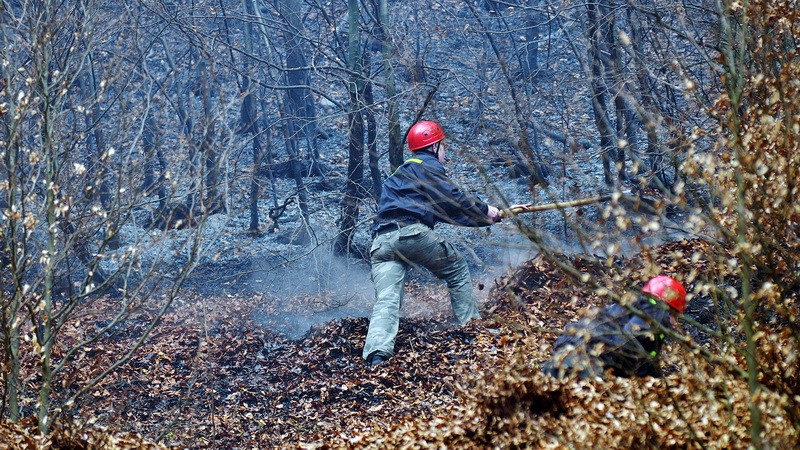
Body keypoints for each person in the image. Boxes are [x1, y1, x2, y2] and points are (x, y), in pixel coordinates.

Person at [363, 120, 508, 367]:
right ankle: (472, 328)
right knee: (457, 267)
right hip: (410, 234)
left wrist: (489, 219)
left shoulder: (401, 175)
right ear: (434, 146)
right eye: (443, 148)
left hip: (381, 243)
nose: (445, 153)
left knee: (387, 299)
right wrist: (486, 208)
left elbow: (447, 213)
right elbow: (453, 197)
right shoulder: (427, 166)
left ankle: (377, 354)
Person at [542, 275, 688, 379]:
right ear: (670, 309)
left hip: (564, 356)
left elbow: (641, 359)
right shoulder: (656, 313)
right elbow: (630, 344)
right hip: (588, 367)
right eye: (676, 317)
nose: (675, 324)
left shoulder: (625, 307)